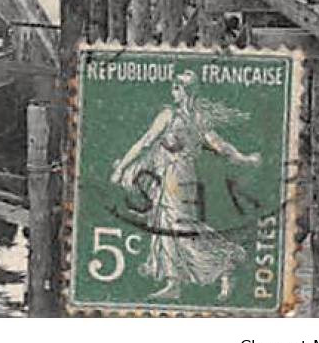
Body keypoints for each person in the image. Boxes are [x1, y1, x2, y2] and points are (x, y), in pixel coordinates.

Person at [109, 72, 260, 301]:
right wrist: (244, 159)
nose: (173, 92)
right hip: (184, 177)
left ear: (185, 91)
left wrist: (122, 168)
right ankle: (180, 279)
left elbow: (145, 142)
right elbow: (221, 146)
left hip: (172, 177)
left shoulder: (169, 115)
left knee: (174, 228)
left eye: (177, 88)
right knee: (178, 226)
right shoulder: (198, 118)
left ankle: (220, 263)